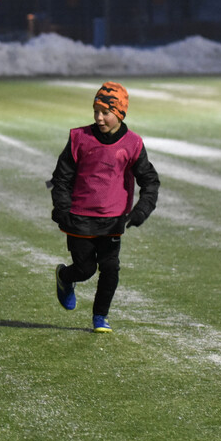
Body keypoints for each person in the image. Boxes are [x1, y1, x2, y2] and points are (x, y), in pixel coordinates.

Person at [49, 81, 160, 333]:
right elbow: (62, 178)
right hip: (79, 218)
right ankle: (65, 277)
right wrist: (63, 210)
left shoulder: (133, 144)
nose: (99, 118)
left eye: (105, 113)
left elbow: (150, 181)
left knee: (110, 268)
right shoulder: (79, 138)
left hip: (113, 220)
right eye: (95, 111)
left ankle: (100, 317)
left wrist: (142, 210)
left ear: (120, 114)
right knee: (85, 269)